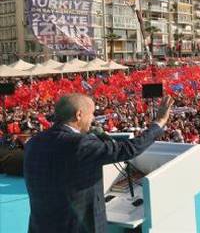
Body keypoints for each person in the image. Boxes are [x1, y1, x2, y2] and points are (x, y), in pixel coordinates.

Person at [23, 93, 173, 233]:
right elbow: (129, 149)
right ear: (79, 114)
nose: (93, 119)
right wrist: (159, 122)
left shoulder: (34, 142)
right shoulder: (80, 143)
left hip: (40, 225)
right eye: (92, 113)